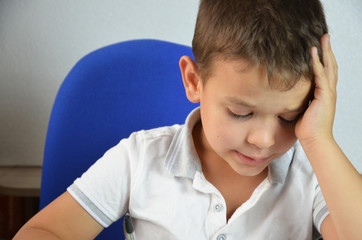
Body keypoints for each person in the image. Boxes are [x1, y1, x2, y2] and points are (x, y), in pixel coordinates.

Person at [14, 0, 362, 239]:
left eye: (290, 116)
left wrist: (320, 139)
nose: (265, 139)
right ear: (194, 81)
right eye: (241, 113)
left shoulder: (315, 175)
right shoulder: (139, 159)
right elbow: (41, 231)